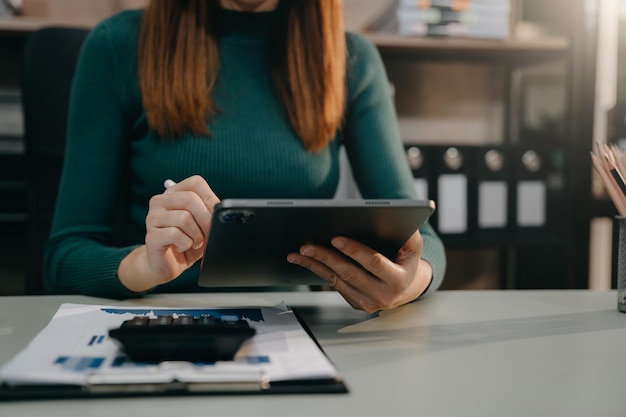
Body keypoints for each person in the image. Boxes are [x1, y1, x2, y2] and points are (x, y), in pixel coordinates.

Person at [45, 0, 446, 313]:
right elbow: (65, 257)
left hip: (297, 325)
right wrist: (144, 268)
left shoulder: (351, 60)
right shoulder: (117, 46)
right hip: (157, 320)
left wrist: (410, 281)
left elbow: (421, 238)